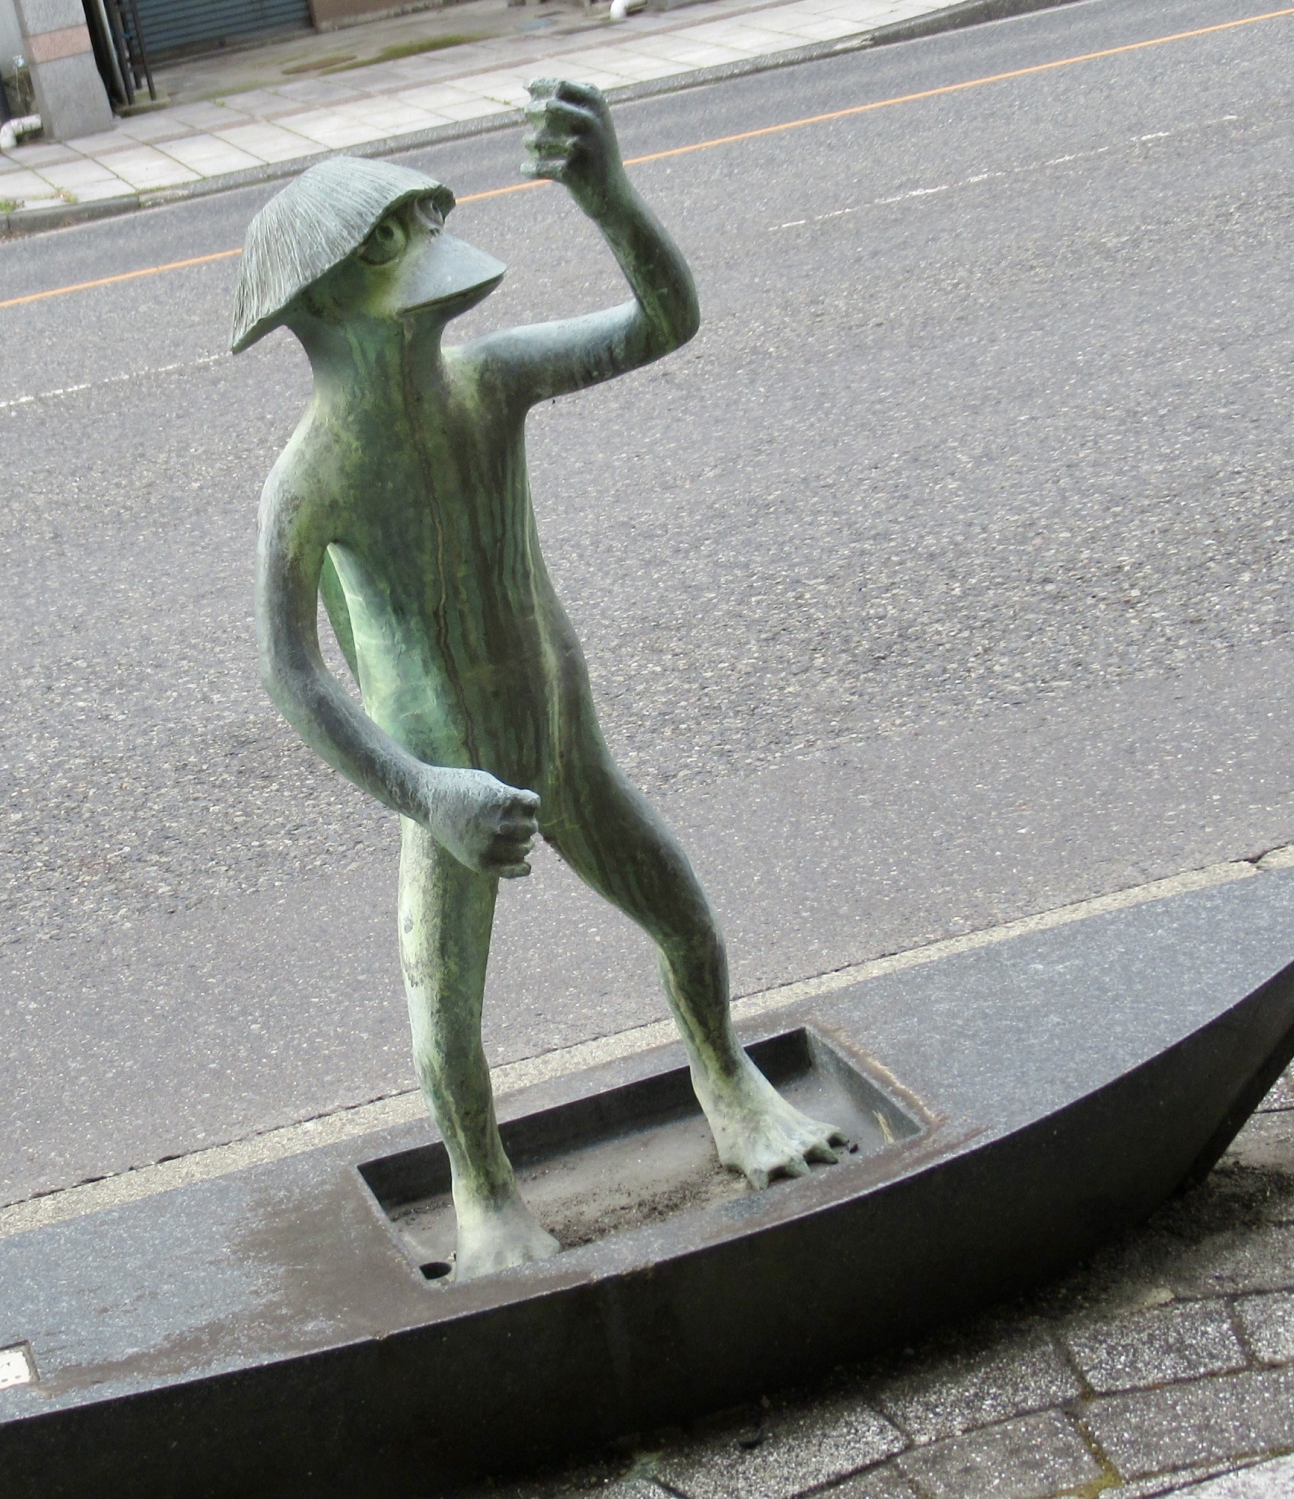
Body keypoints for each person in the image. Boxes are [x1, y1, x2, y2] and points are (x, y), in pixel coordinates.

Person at [235, 79, 844, 1280]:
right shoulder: (309, 480)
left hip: (562, 735)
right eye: (389, 239)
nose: (425, 244)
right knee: (445, 1004)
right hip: (449, 771)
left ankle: (724, 1075)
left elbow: (662, 322)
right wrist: (426, 792)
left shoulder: (490, 378)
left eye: (423, 220)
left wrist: (608, 198)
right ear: (319, 299)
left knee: (680, 913)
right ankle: (482, 1190)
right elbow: (289, 672)